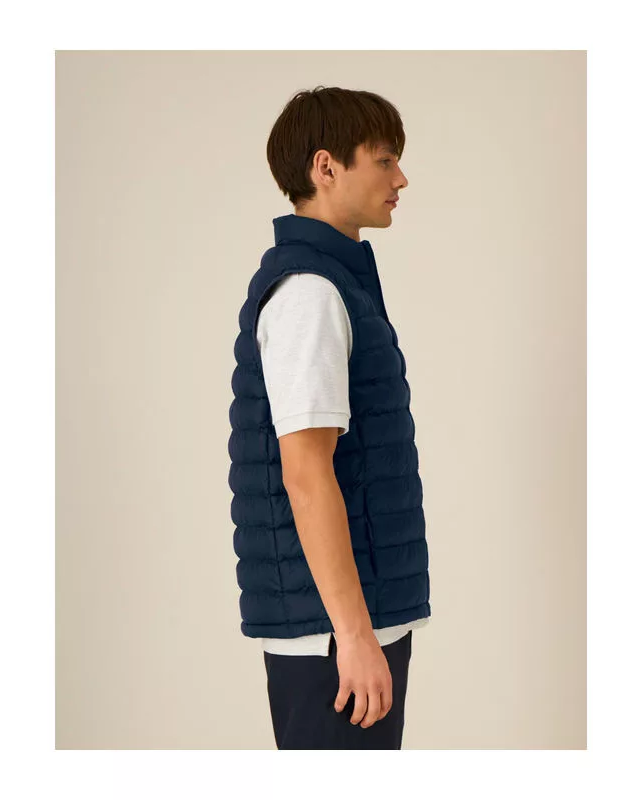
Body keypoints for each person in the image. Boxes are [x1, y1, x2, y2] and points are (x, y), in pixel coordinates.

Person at [228, 86, 432, 749]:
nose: (400, 179)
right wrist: (354, 635)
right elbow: (306, 473)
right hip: (332, 638)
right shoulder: (310, 293)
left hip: (349, 624)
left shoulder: (334, 283)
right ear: (326, 167)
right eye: (385, 160)